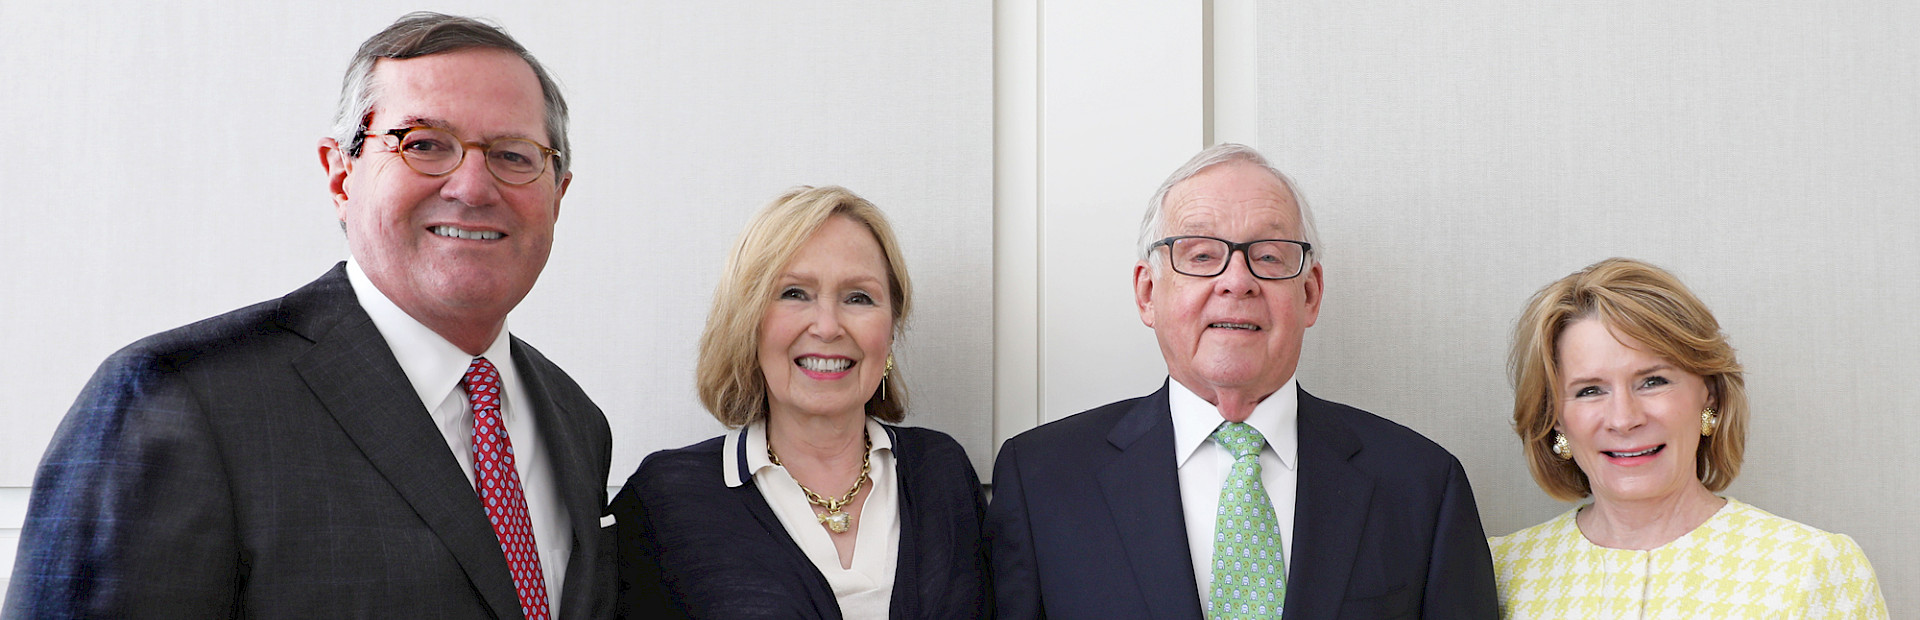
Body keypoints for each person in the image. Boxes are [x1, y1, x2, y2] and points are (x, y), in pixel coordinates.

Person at [4, 13, 613, 619]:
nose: (474, 186)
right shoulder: (176, 401)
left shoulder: (576, 421)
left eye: (513, 155)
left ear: (558, 194)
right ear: (341, 174)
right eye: (424, 144)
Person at [986, 143, 1498, 619]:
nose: (1237, 280)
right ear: (1147, 293)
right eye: (1202, 255)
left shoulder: (1422, 484)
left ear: (1311, 294)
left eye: (1270, 256)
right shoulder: (1041, 479)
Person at [610, 186, 989, 618]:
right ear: (747, 320)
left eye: (858, 298)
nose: (827, 327)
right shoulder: (665, 499)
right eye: (794, 293)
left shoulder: (941, 472)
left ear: (891, 330)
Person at [1490, 257, 1887, 618]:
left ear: (1708, 394)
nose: (1624, 419)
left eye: (1652, 381)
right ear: (1555, 418)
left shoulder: (1811, 567)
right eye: (1590, 390)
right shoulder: (1498, 571)